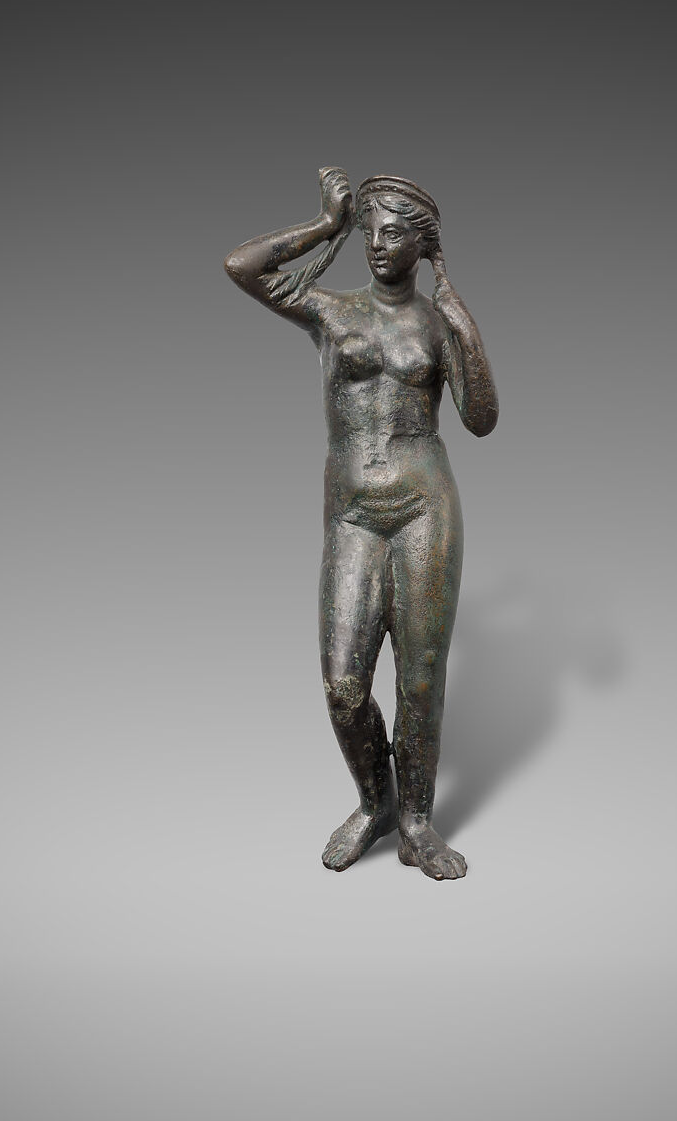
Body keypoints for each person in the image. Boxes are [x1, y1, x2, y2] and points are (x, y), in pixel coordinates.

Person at [225, 168, 497, 880]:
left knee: (420, 680)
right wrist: (325, 225)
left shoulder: (435, 323)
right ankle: (375, 802)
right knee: (344, 685)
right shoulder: (333, 311)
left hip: (424, 507)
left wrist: (465, 329)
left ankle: (416, 823)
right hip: (352, 515)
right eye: (369, 231)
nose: (377, 244)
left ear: (422, 245)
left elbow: (481, 419)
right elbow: (243, 267)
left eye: (393, 233)